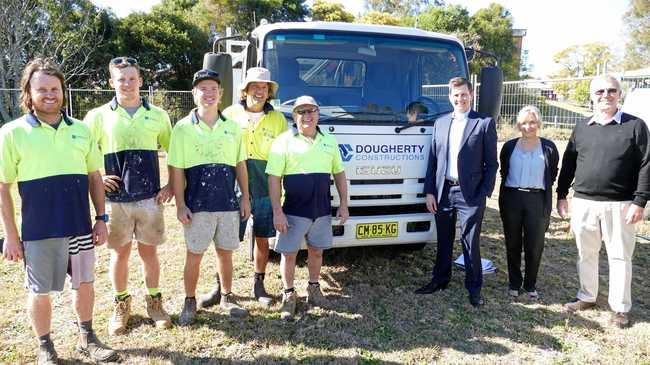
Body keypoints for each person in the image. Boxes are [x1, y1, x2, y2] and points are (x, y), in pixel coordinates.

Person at [0, 58, 117, 364]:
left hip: (79, 226)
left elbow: (94, 176)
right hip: (39, 232)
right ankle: (45, 346)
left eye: (55, 88)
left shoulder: (81, 129)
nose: (50, 94)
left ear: (63, 91)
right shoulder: (12, 133)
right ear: (29, 92)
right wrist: (11, 236)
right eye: (42, 89)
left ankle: (87, 338)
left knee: (86, 284)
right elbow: (2, 186)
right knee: (39, 293)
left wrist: (101, 219)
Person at [83, 56, 173, 335]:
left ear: (141, 81)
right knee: (119, 255)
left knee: (149, 254)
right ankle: (121, 306)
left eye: (132, 78)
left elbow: (175, 153)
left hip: (150, 199)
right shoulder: (97, 116)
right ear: (112, 82)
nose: (127, 84)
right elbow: (82, 152)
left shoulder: (158, 115)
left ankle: (155, 303)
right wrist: (98, 174)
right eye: (121, 79)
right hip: (115, 202)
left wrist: (170, 184)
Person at [557, 75, 650, 328]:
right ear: (592, 95)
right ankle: (587, 296)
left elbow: (646, 165)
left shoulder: (636, 126)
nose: (605, 95)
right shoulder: (582, 127)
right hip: (584, 203)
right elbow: (569, 162)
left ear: (619, 94)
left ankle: (620, 308)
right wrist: (562, 194)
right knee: (586, 253)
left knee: (620, 257)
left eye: (611, 90)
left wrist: (640, 201)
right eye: (600, 91)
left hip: (621, 204)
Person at [198, 67, 287, 308]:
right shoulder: (228, 114)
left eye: (264, 87)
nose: (260, 91)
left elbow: (283, 155)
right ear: (245, 90)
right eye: (255, 86)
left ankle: (259, 286)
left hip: (266, 182)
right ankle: (220, 288)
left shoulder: (278, 119)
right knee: (225, 239)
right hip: (231, 183)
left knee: (262, 236)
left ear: (269, 92)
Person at [169, 69, 252, 325]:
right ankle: (189, 302)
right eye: (203, 89)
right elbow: (176, 169)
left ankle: (227, 297)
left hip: (227, 204)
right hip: (196, 205)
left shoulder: (233, 128)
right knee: (194, 255)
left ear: (221, 94)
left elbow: (240, 165)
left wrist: (245, 198)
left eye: (213, 89)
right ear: (194, 94)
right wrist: (180, 205)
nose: (208, 93)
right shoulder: (182, 129)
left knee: (225, 253)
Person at [415, 77, 498, 308]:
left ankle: (474, 288)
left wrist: (483, 194)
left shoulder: (483, 123)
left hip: (470, 194)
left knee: (470, 241)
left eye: (464, 94)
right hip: (443, 192)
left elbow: (492, 164)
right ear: (449, 97)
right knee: (444, 239)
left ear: (471, 95)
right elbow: (433, 161)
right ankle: (440, 280)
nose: (460, 99)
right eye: (455, 95)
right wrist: (429, 191)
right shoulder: (440, 124)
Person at [266, 95, 349, 321]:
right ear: (294, 116)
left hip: (321, 210)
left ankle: (313, 289)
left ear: (318, 114)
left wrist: (343, 204)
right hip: (292, 210)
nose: (307, 115)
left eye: (311, 110)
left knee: (317, 251)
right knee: (289, 254)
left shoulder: (329, 141)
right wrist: (277, 211)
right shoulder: (283, 141)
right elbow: (274, 179)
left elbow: (339, 174)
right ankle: (289, 295)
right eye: (302, 111)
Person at [499, 105, 559, 301]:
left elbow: (552, 174)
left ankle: (530, 284)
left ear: (539, 124)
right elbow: (504, 170)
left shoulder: (549, 147)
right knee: (513, 243)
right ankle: (514, 283)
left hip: (537, 199)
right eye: (524, 122)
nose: (528, 126)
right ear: (518, 125)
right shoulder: (509, 147)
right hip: (512, 198)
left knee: (535, 244)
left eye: (532, 122)